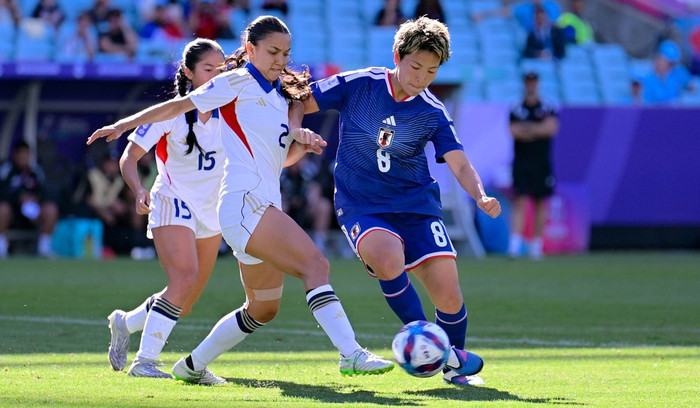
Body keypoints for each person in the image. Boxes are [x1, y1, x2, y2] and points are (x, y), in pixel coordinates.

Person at [88, 15, 394, 384]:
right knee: (316, 265)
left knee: (262, 308)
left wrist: (302, 144)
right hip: (246, 204)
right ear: (250, 49)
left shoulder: (279, 96)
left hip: (253, 208)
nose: (281, 60)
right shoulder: (238, 81)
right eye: (273, 51)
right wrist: (123, 125)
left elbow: (278, 160)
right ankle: (352, 354)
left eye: (286, 53)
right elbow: (178, 106)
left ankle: (192, 366)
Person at [296, 16, 502, 386]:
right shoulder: (361, 83)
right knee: (388, 258)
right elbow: (301, 100)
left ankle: (452, 369)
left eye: (432, 71)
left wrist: (480, 195)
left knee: (449, 294)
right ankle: (440, 351)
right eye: (416, 67)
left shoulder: (432, 110)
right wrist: (295, 129)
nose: (422, 78)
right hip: (361, 204)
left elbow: (459, 162)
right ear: (397, 56)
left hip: (416, 206)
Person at [104, 38, 227, 378]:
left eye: (221, 70)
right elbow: (129, 157)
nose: (216, 76)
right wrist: (139, 189)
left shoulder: (232, 110)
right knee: (183, 278)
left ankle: (125, 322)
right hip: (172, 200)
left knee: (183, 302)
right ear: (188, 72)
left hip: (212, 211)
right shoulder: (171, 112)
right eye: (208, 69)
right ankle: (145, 363)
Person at [507, 72, 558, 260]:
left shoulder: (548, 106)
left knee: (540, 202)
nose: (531, 85)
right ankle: (514, 245)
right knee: (519, 200)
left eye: (533, 82)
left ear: (538, 84)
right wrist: (537, 130)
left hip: (541, 161)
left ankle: (536, 245)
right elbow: (514, 131)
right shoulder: (516, 107)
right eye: (528, 82)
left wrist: (528, 129)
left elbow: (551, 128)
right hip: (521, 161)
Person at [0, 141, 59, 258]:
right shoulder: (6, 170)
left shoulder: (35, 171)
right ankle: (1, 248)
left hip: (33, 211)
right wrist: (18, 200)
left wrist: (34, 199)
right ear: (15, 155)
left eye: (26, 154)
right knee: (2, 209)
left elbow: (45, 192)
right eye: (21, 154)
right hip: (13, 212)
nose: (23, 157)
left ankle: (44, 248)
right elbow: (2, 192)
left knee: (51, 209)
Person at [638, 40, 692, 105]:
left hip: (675, 110)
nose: (668, 66)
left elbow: (692, 87)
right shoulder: (646, 76)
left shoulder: (679, 72)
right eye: (665, 61)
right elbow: (643, 102)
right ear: (658, 58)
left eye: (671, 63)